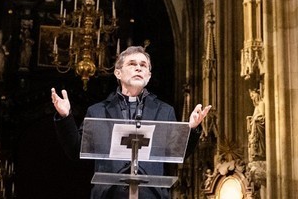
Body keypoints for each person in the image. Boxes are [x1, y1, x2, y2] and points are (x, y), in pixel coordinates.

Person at [50, 45, 212, 198]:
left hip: (151, 194)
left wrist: (191, 129)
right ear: (118, 73)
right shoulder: (98, 111)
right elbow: (75, 150)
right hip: (109, 195)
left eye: (143, 65)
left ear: (148, 76)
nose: (138, 68)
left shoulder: (164, 111)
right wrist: (66, 117)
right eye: (132, 64)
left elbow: (177, 153)